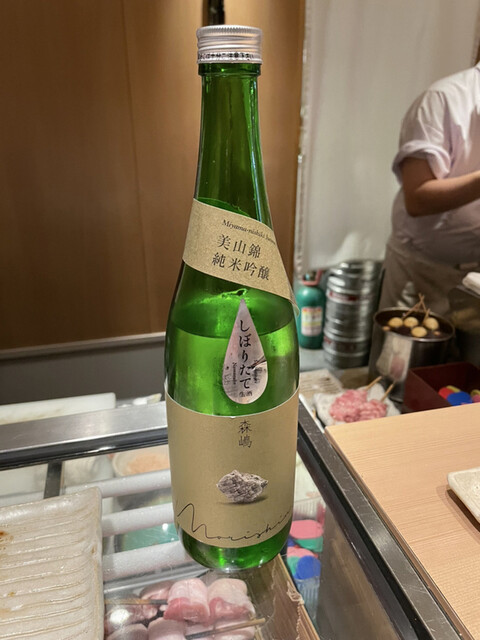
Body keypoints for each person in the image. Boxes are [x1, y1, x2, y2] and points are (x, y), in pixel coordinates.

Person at [378, 61, 480, 319]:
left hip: (475, 275)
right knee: (406, 344)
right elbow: (418, 199)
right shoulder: (443, 99)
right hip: (422, 270)